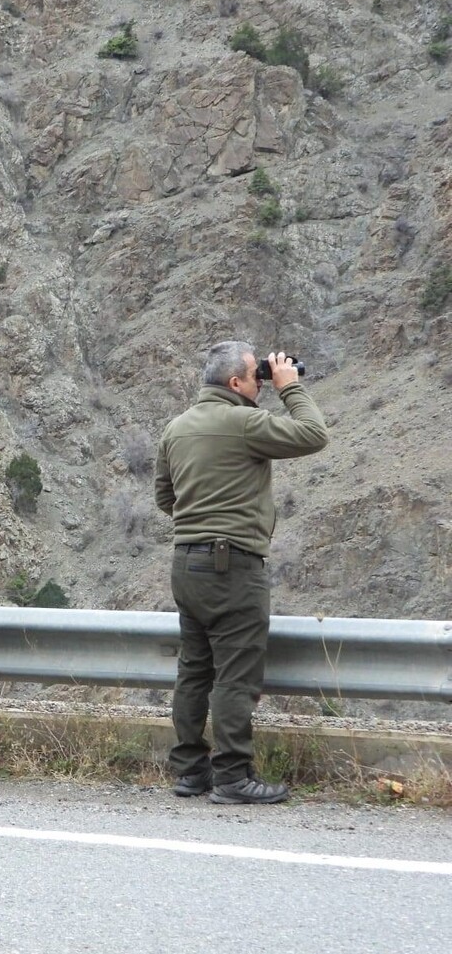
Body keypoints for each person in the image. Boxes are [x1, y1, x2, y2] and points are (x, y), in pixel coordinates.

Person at [155, 343, 328, 804]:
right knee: (235, 674)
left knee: (194, 671)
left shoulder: (176, 428)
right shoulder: (246, 423)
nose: (261, 383)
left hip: (186, 564)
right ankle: (232, 776)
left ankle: (190, 772)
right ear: (236, 384)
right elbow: (313, 434)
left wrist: (201, 515)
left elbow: (165, 499)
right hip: (232, 565)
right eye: (257, 376)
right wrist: (291, 387)